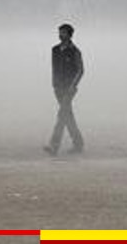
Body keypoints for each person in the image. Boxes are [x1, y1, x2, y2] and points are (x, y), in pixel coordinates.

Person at [44, 23, 85, 156]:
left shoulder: (75, 51)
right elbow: (54, 69)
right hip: (58, 87)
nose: (60, 35)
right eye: (59, 32)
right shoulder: (54, 50)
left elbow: (80, 70)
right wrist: (54, 84)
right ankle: (78, 143)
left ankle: (53, 145)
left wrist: (73, 85)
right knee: (67, 115)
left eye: (62, 32)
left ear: (69, 34)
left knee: (62, 115)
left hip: (69, 89)